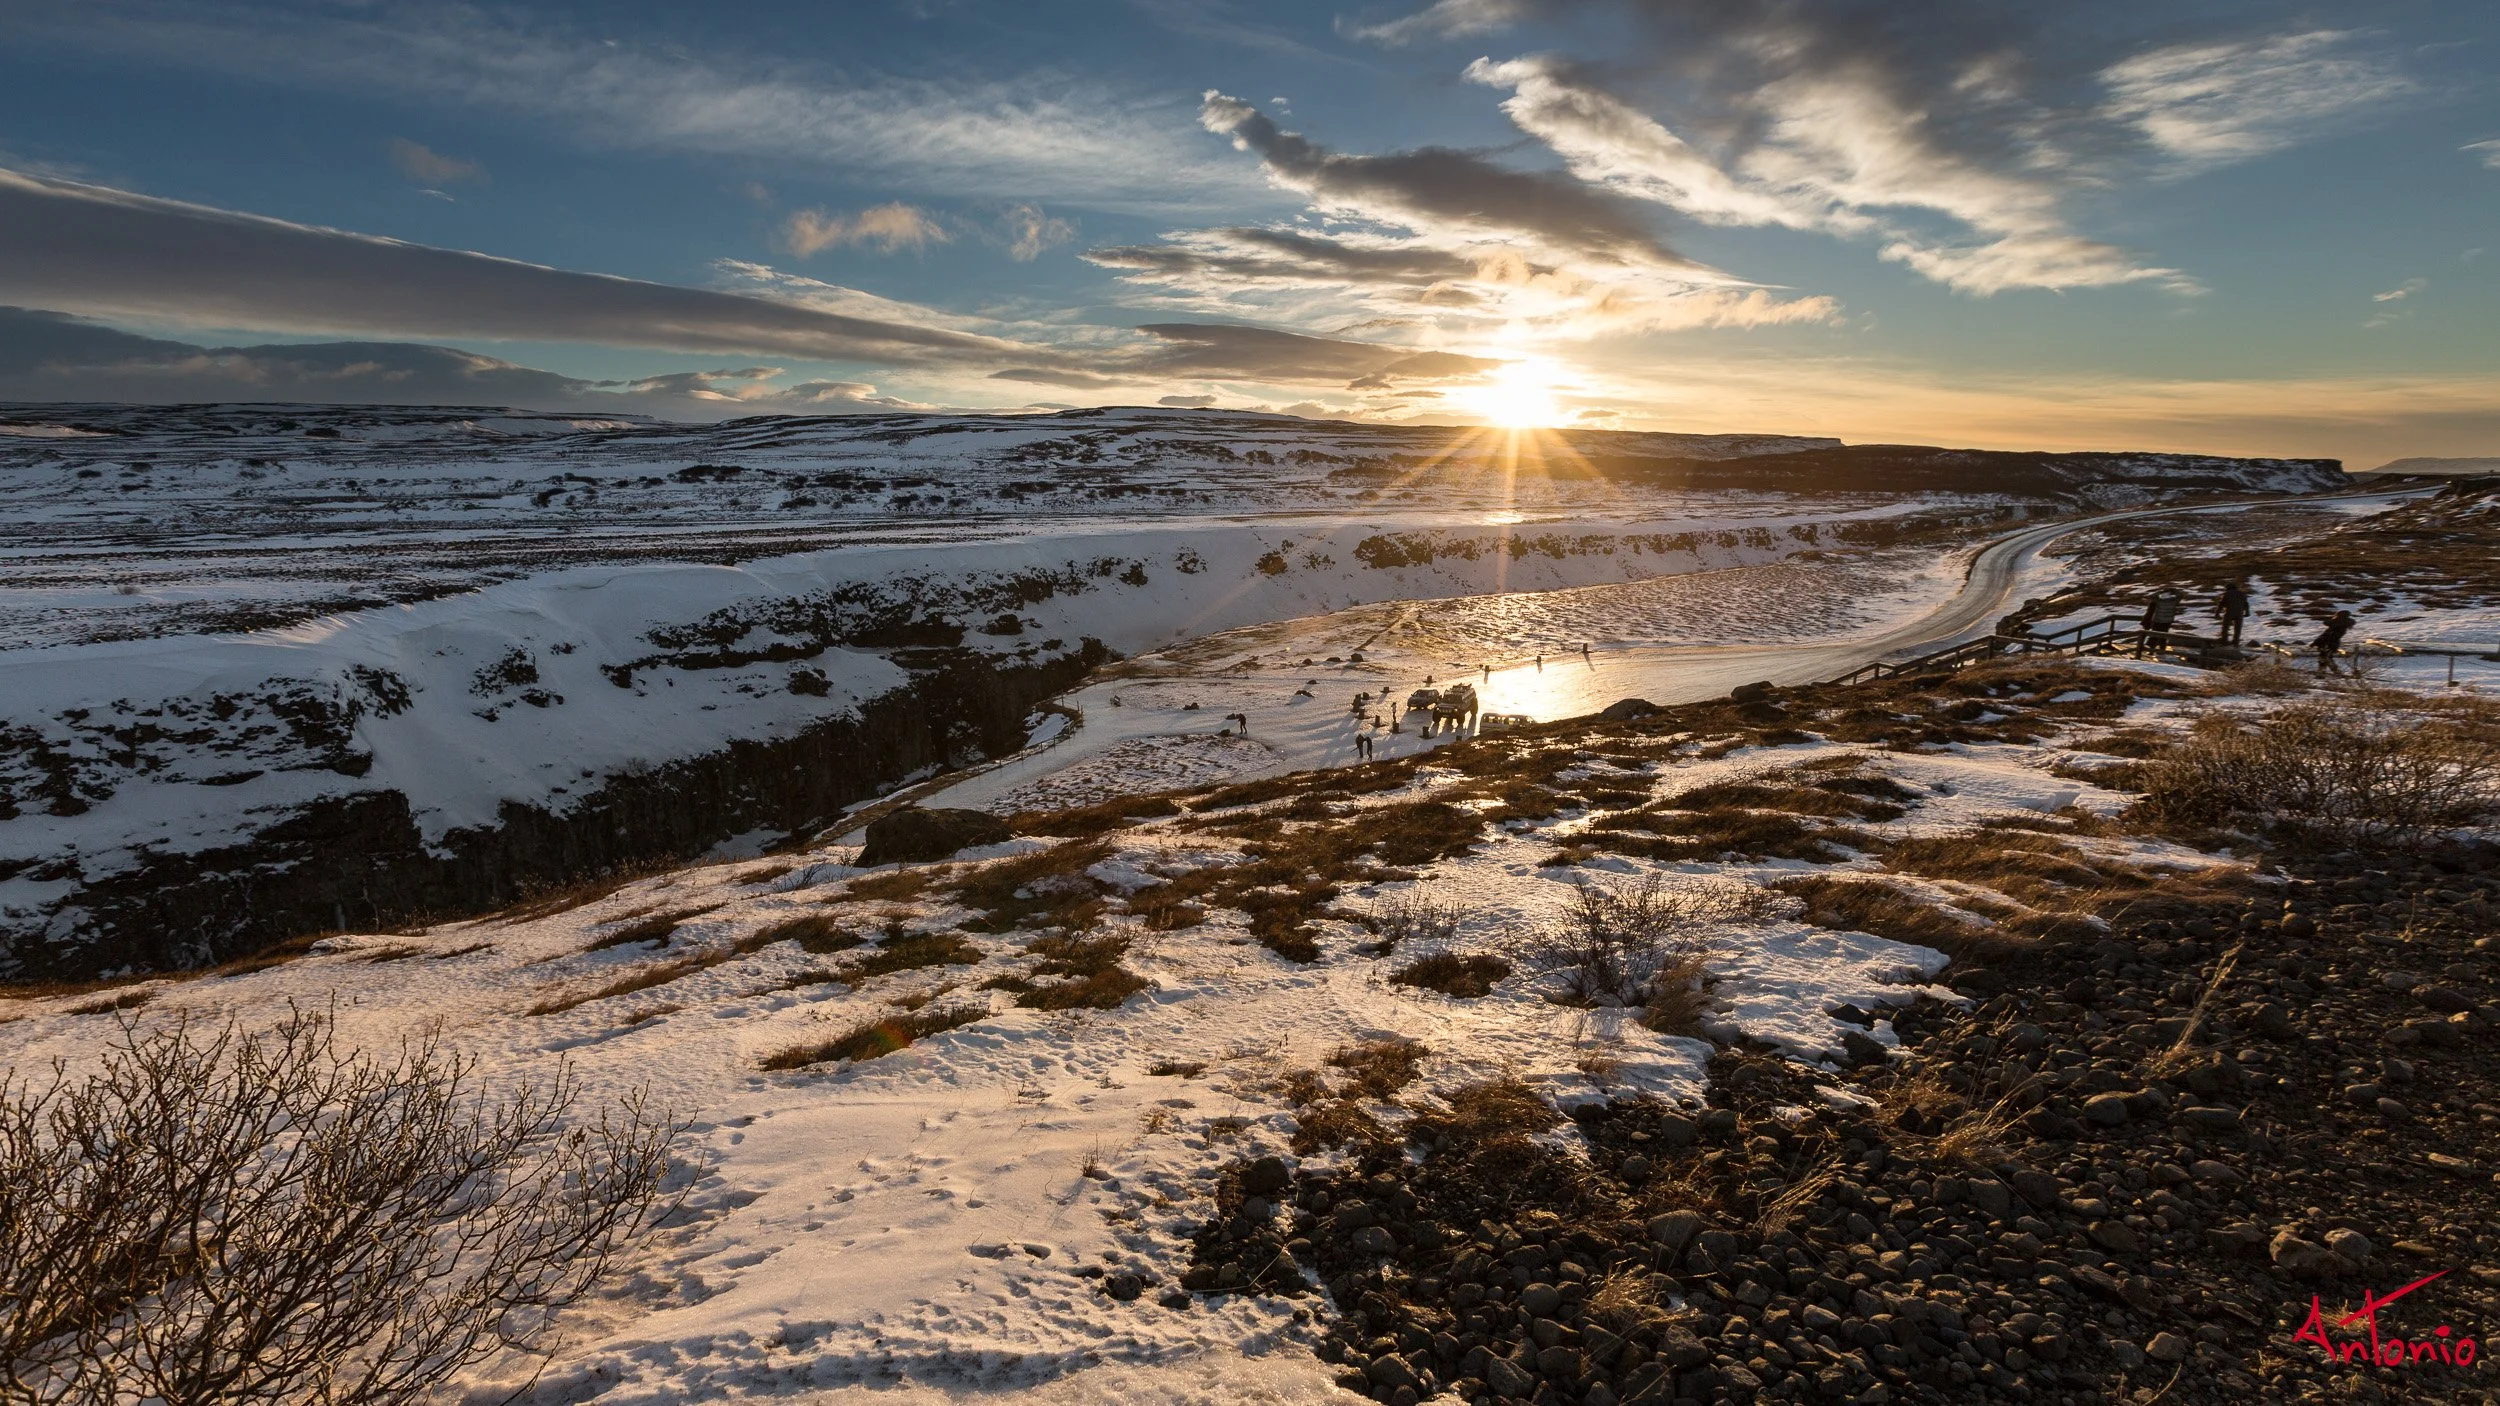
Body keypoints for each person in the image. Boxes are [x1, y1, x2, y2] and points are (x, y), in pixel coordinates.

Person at [2314, 609, 2356, 674]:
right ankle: (2326, 672)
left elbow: (2326, 635)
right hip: (2333, 643)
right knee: (2325, 657)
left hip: (2327, 643)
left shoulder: (2335, 627)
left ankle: (2328, 671)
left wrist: (2315, 642)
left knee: (2325, 657)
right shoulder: (2342, 626)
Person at [2217, 581, 2251, 645]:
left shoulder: (2227, 593)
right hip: (2239, 613)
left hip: (2229, 612)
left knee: (2225, 628)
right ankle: (2236, 642)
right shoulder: (2242, 593)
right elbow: (2246, 604)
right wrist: (2247, 612)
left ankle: (2224, 641)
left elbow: (2221, 604)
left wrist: (2217, 613)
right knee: (2237, 629)